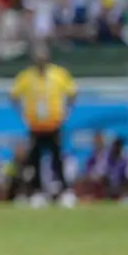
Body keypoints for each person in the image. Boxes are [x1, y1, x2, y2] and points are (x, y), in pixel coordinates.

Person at [9, 43, 77, 207]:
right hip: (36, 126)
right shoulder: (26, 77)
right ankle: (38, 192)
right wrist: (23, 115)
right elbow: (13, 95)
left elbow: (73, 92)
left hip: (54, 124)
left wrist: (66, 112)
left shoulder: (58, 74)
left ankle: (64, 191)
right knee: (35, 160)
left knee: (57, 159)